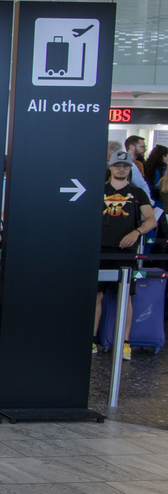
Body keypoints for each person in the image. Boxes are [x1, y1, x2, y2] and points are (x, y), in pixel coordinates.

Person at [97, 151, 156, 359]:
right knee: (96, 295)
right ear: (111, 167)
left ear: (130, 169)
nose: (121, 169)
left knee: (125, 296)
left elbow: (151, 219)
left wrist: (136, 232)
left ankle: (124, 342)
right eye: (117, 165)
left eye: (125, 166)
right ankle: (92, 341)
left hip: (126, 252)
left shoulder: (138, 193)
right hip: (100, 250)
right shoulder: (100, 190)